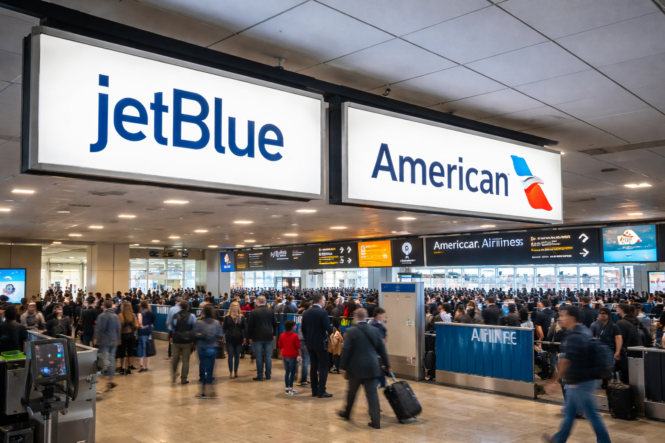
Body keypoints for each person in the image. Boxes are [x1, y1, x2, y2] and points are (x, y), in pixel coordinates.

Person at [543, 306, 611, 443]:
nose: (559, 318)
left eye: (562, 315)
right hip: (584, 379)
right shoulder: (584, 330)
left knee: (591, 415)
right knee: (570, 413)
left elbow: (566, 362)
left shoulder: (574, 337)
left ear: (571, 318)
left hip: (581, 382)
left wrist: (553, 381)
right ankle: (559, 439)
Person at [338, 308, 390, 430]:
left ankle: (347, 414)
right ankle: (376, 421)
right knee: (372, 395)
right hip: (372, 367)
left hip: (355, 368)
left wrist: (342, 366)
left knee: (351, 393)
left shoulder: (351, 331)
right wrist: (387, 365)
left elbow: (346, 351)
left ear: (355, 318)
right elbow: (382, 350)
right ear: (366, 318)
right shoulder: (375, 330)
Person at [302, 293, 334, 398]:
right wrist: (332, 328)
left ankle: (314, 391)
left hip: (310, 344)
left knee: (313, 367)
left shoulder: (306, 313)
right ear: (320, 301)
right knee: (324, 367)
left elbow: (303, 329)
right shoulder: (323, 313)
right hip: (321, 343)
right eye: (324, 300)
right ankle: (321, 391)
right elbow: (328, 328)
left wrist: (306, 341)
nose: (325, 302)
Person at [193, 305, 224, 399]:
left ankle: (202, 390)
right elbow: (220, 334)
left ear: (203, 312)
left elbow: (194, 335)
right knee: (210, 369)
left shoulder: (199, 323)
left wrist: (201, 335)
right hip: (213, 348)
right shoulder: (217, 323)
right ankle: (211, 388)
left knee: (203, 367)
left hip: (202, 348)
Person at [247, 295, 277, 381]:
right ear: (265, 301)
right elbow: (275, 324)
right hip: (269, 335)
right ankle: (268, 375)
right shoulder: (271, 311)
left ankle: (260, 375)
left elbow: (250, 326)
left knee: (259, 356)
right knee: (268, 356)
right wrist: (274, 334)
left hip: (257, 336)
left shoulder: (253, 312)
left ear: (257, 302)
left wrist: (250, 336)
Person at [95, 300, 121, 391]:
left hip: (104, 341)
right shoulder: (116, 316)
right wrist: (118, 339)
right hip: (114, 340)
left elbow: (100, 329)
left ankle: (107, 379)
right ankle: (111, 379)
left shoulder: (101, 316)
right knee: (112, 359)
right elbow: (118, 328)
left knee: (104, 360)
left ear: (104, 306)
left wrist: (97, 339)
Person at [171, 300, 196, 385]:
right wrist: (194, 342)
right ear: (188, 307)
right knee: (185, 360)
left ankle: (174, 375)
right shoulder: (192, 316)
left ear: (180, 307)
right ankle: (183, 379)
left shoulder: (175, 316)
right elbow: (194, 329)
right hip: (187, 341)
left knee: (175, 359)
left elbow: (172, 328)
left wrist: (170, 338)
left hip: (176, 340)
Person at [222, 301, 246, 379]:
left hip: (239, 338)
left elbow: (245, 328)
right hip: (229, 338)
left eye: (237, 305)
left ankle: (235, 370)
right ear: (231, 307)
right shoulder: (227, 317)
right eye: (234, 305)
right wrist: (222, 336)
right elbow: (224, 328)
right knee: (230, 355)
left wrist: (245, 337)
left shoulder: (241, 317)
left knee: (237, 356)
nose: (236, 307)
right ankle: (231, 371)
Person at [278, 319, 301, 395]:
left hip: (284, 355)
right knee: (292, 372)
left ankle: (287, 388)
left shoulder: (282, 335)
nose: (295, 326)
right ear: (292, 327)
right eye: (294, 325)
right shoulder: (295, 335)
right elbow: (298, 346)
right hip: (292, 355)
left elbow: (280, 345)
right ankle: (290, 388)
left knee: (287, 372)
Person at [117, 301, 138, 375]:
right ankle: (129, 368)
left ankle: (122, 367)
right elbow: (135, 326)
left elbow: (119, 328)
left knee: (122, 352)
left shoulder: (120, 315)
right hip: (131, 334)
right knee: (130, 352)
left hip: (123, 335)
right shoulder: (133, 315)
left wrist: (118, 338)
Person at [137, 300, 155, 373]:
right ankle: (146, 366)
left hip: (141, 332)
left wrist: (141, 326)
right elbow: (153, 321)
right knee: (147, 347)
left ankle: (141, 366)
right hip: (148, 331)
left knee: (140, 347)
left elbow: (140, 322)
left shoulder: (139, 313)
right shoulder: (150, 313)